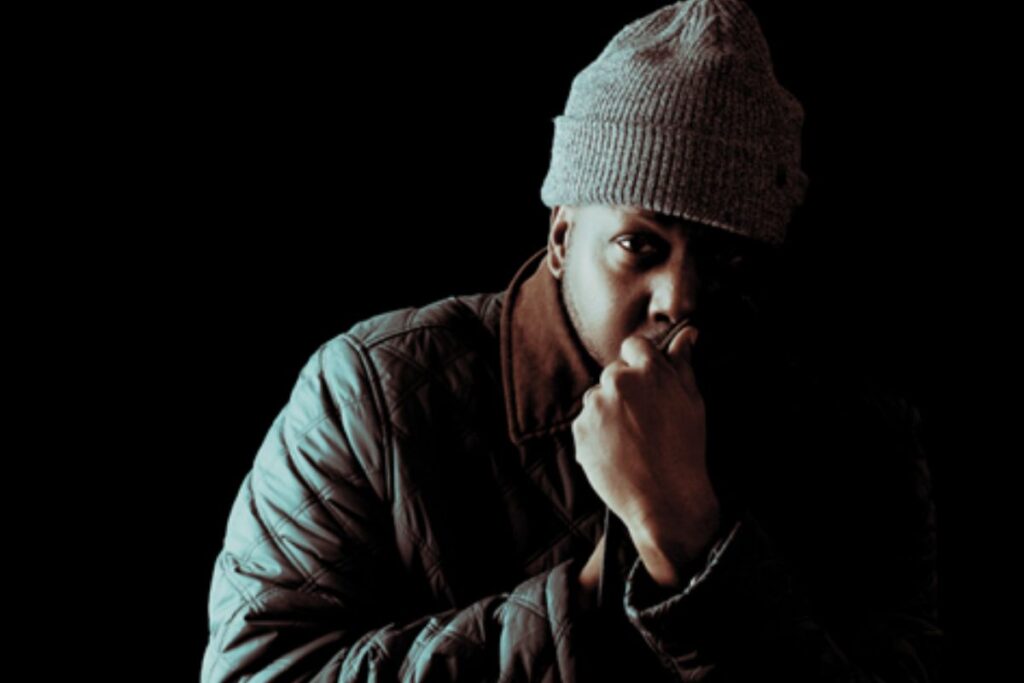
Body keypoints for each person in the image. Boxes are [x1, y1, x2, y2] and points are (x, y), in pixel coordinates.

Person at [200, 1, 941, 681]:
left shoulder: (857, 433)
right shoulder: (368, 395)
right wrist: (590, 596)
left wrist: (693, 545)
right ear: (562, 237)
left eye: (728, 260)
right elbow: (258, 670)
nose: (681, 299)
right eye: (639, 246)